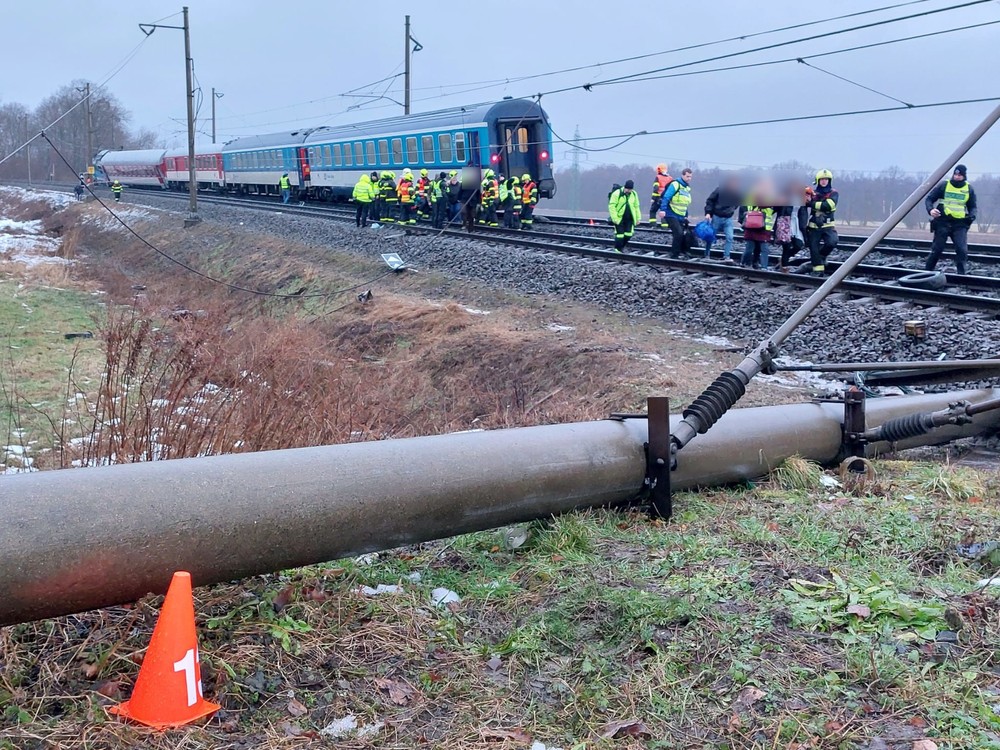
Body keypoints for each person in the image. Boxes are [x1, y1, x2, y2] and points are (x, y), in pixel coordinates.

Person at [924, 164, 976, 275]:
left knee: (962, 250)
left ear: (964, 176)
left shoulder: (968, 189)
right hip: (942, 221)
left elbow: (973, 206)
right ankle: (926, 272)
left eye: (960, 175)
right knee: (937, 249)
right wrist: (931, 210)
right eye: (955, 174)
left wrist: (972, 216)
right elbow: (929, 199)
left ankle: (961, 275)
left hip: (959, 223)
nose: (957, 177)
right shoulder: (944, 185)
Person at [805, 169, 838, 275]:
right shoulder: (813, 193)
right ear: (818, 181)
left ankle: (822, 256)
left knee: (831, 242)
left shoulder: (834, 193)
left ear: (829, 181)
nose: (824, 181)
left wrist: (812, 204)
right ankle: (817, 271)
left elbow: (828, 205)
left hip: (828, 226)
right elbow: (805, 202)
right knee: (813, 248)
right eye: (822, 179)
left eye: (826, 179)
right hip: (814, 226)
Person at [703, 175, 740, 261]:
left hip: (728, 218)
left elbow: (737, 203)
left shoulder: (736, 193)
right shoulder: (720, 190)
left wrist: (732, 210)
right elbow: (710, 200)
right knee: (711, 236)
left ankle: (726, 256)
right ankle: (706, 255)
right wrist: (708, 213)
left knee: (730, 237)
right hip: (717, 217)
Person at [657, 168, 693, 258]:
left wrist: (686, 216)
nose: (689, 178)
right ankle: (674, 254)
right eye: (687, 176)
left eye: (690, 177)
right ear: (683, 175)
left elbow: (685, 204)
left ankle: (682, 251)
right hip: (671, 212)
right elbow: (666, 197)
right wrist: (663, 210)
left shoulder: (687, 188)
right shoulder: (675, 184)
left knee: (683, 234)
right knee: (678, 233)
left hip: (680, 214)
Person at [738, 201, 776, 270]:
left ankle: (759, 265)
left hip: (758, 228)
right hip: (756, 227)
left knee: (757, 248)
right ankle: (747, 263)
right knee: (753, 248)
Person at [609, 180, 641, 252]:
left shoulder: (634, 194)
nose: (629, 191)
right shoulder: (617, 193)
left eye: (630, 189)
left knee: (628, 234)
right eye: (627, 189)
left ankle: (621, 247)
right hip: (619, 218)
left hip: (630, 218)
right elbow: (612, 206)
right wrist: (615, 218)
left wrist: (638, 218)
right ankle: (618, 249)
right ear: (625, 187)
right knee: (620, 235)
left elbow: (636, 206)